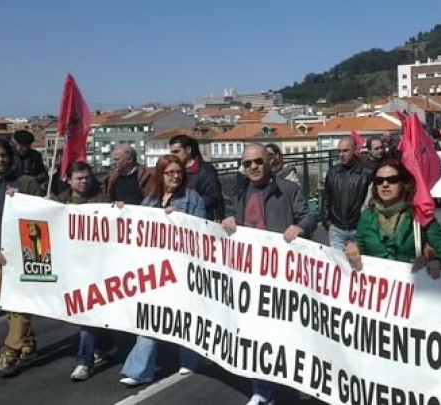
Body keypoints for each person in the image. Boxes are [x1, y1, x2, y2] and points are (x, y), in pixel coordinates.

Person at [221, 143, 316, 405]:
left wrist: (300, 227)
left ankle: (300, 380)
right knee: (257, 333)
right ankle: (263, 389)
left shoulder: (288, 189)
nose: (252, 167)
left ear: (270, 163)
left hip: (284, 274)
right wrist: (230, 221)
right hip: (251, 274)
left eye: (257, 162)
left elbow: (309, 216)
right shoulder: (241, 192)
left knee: (290, 330)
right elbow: (236, 222)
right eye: (247, 163)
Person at [119, 154, 206, 386]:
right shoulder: (149, 201)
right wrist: (122, 212)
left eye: (179, 172)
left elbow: (202, 231)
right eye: (170, 173)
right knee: (151, 317)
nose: (175, 176)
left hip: (182, 267)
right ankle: (139, 371)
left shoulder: (192, 198)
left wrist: (179, 220)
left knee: (186, 315)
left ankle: (191, 358)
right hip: (156, 270)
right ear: (161, 175)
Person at [51, 161, 116, 381]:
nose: (85, 181)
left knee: (88, 311)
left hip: (99, 266)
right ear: (69, 180)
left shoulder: (103, 200)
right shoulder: (60, 202)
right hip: (72, 266)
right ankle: (105, 344)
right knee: (93, 313)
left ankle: (84, 361)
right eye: (79, 178)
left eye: (87, 177)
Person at [344, 154, 441, 274]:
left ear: (403, 183)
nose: (385, 184)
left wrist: (437, 261)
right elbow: (359, 251)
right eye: (379, 181)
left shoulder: (420, 215)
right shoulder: (367, 216)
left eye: (392, 180)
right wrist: (352, 246)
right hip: (376, 288)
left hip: (412, 288)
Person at [0, 139, 43, 375]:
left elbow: (44, 213)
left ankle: (11, 348)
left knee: (18, 303)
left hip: (21, 256)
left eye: (4, 155)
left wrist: (26, 201)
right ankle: (27, 342)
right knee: (7, 305)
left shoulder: (25, 183)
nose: (0, 160)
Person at [321, 136, 372, 250]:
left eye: (345, 151)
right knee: (337, 264)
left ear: (355, 150)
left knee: (358, 265)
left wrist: (364, 226)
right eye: (339, 151)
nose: (341, 155)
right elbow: (326, 198)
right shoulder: (333, 172)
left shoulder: (367, 173)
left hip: (358, 229)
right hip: (336, 229)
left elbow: (371, 202)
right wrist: (327, 222)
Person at [169, 134, 225, 220]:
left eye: (177, 152)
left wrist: (189, 204)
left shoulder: (206, 170)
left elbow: (213, 197)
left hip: (200, 221)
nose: (173, 156)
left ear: (188, 150)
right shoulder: (172, 171)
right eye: (172, 153)